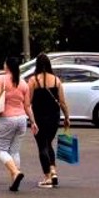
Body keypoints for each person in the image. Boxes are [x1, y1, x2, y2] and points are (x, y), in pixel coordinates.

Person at [27, 53, 71, 188]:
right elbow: (62, 102)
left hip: (39, 117)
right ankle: (53, 171)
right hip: (54, 116)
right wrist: (67, 117)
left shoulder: (33, 80)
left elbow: (28, 102)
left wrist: (31, 120)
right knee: (49, 143)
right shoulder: (57, 80)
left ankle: (47, 177)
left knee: (42, 145)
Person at [0, 54, 33, 191]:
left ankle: (16, 173)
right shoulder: (23, 83)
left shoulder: (1, 79)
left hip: (6, 118)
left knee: (1, 149)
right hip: (22, 119)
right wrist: (33, 122)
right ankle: (14, 179)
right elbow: (27, 106)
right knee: (14, 150)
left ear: (7, 66)